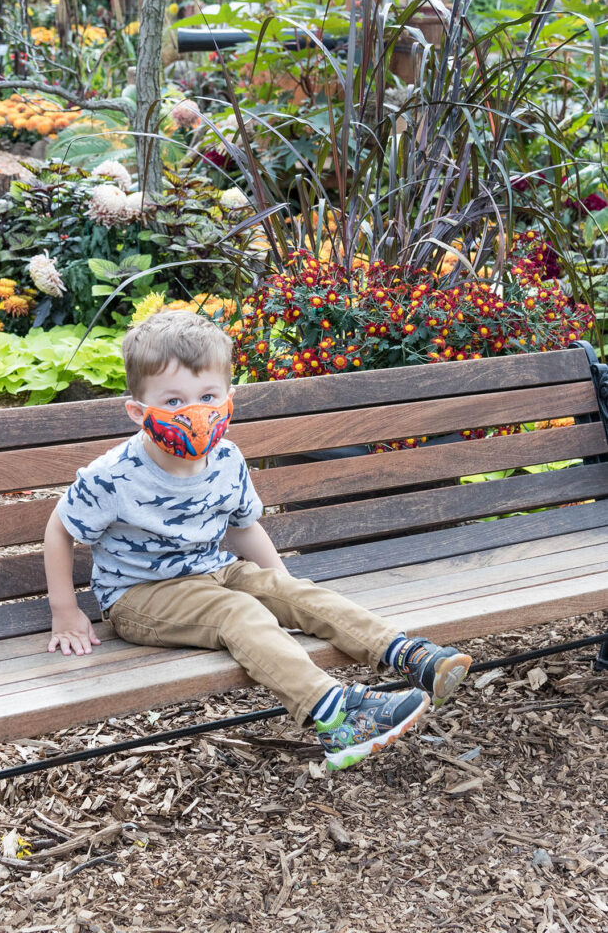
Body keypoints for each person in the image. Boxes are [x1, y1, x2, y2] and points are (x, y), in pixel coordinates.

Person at [44, 310, 472, 772]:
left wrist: (283, 589)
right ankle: (338, 718)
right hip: (140, 596)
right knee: (237, 612)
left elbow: (245, 527)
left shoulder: (227, 458)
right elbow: (60, 529)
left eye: (208, 396)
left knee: (290, 590)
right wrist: (65, 612)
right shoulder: (115, 475)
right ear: (138, 411)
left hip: (215, 569)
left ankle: (406, 654)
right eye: (173, 401)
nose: (195, 413)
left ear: (229, 398)